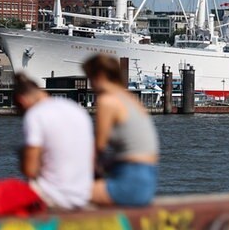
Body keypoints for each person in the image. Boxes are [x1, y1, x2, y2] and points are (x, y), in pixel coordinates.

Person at [82, 54, 159, 207]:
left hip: (131, 179)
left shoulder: (107, 101)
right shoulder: (130, 99)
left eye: (90, 78)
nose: (90, 85)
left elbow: (99, 147)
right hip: (148, 178)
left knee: (64, 194)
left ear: (100, 76)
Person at [14, 73, 94, 209]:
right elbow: (91, 158)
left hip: (54, 196)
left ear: (22, 101)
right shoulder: (76, 109)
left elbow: (30, 170)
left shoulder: (36, 114)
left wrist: (23, 157)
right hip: (83, 194)